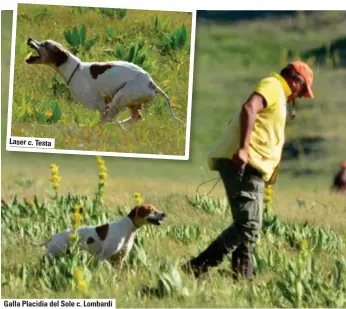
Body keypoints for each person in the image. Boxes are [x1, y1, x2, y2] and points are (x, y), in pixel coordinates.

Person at [182, 61, 314, 280]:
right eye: (303, 90)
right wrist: (243, 149)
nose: (300, 96)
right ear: (295, 81)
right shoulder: (273, 85)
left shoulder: (279, 96)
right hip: (246, 163)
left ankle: (243, 279)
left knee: (249, 227)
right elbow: (250, 108)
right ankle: (197, 266)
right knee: (249, 224)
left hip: (254, 167)